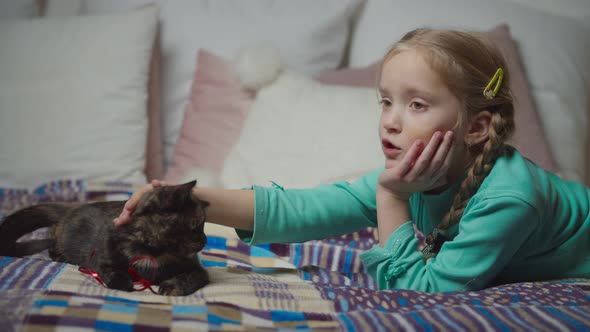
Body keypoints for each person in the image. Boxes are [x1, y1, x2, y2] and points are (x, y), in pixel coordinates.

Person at [113, 28, 590, 293]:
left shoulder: (511, 197)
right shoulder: (419, 175)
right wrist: (181, 198)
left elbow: (425, 292)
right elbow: (299, 210)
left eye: (416, 105)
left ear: (476, 127)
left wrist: (390, 197)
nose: (391, 122)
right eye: (386, 102)